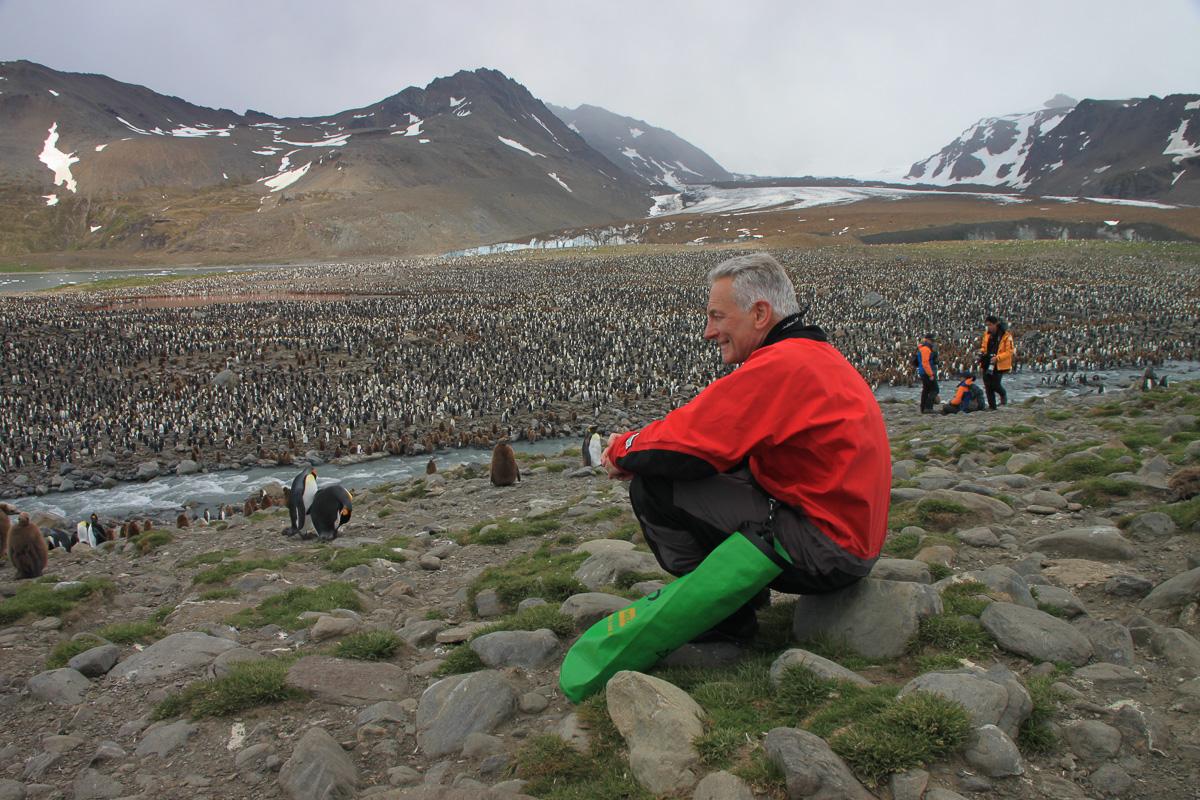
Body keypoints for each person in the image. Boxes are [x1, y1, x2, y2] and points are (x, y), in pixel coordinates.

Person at [600, 253, 890, 643]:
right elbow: (715, 440)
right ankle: (741, 595)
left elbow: (689, 441)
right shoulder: (814, 355)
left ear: (759, 314)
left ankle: (724, 616)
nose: (708, 331)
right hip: (849, 541)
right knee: (722, 464)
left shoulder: (780, 365)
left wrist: (622, 449)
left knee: (655, 485)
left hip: (828, 553)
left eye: (717, 316)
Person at [979, 314, 1015, 410]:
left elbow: (1009, 351)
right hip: (987, 361)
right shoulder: (987, 334)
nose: (988, 327)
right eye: (987, 325)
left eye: (990, 325)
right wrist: (982, 352)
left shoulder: (1006, 336)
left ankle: (1003, 394)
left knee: (995, 384)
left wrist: (998, 358)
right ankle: (992, 406)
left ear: (996, 324)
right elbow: (983, 346)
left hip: (999, 363)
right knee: (987, 385)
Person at [912, 334, 940, 413]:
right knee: (935, 389)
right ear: (927, 340)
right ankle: (928, 407)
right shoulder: (925, 349)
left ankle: (923, 408)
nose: (932, 342)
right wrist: (930, 374)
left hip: (923, 371)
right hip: (926, 372)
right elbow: (925, 363)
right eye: (931, 340)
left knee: (926, 390)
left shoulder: (923, 348)